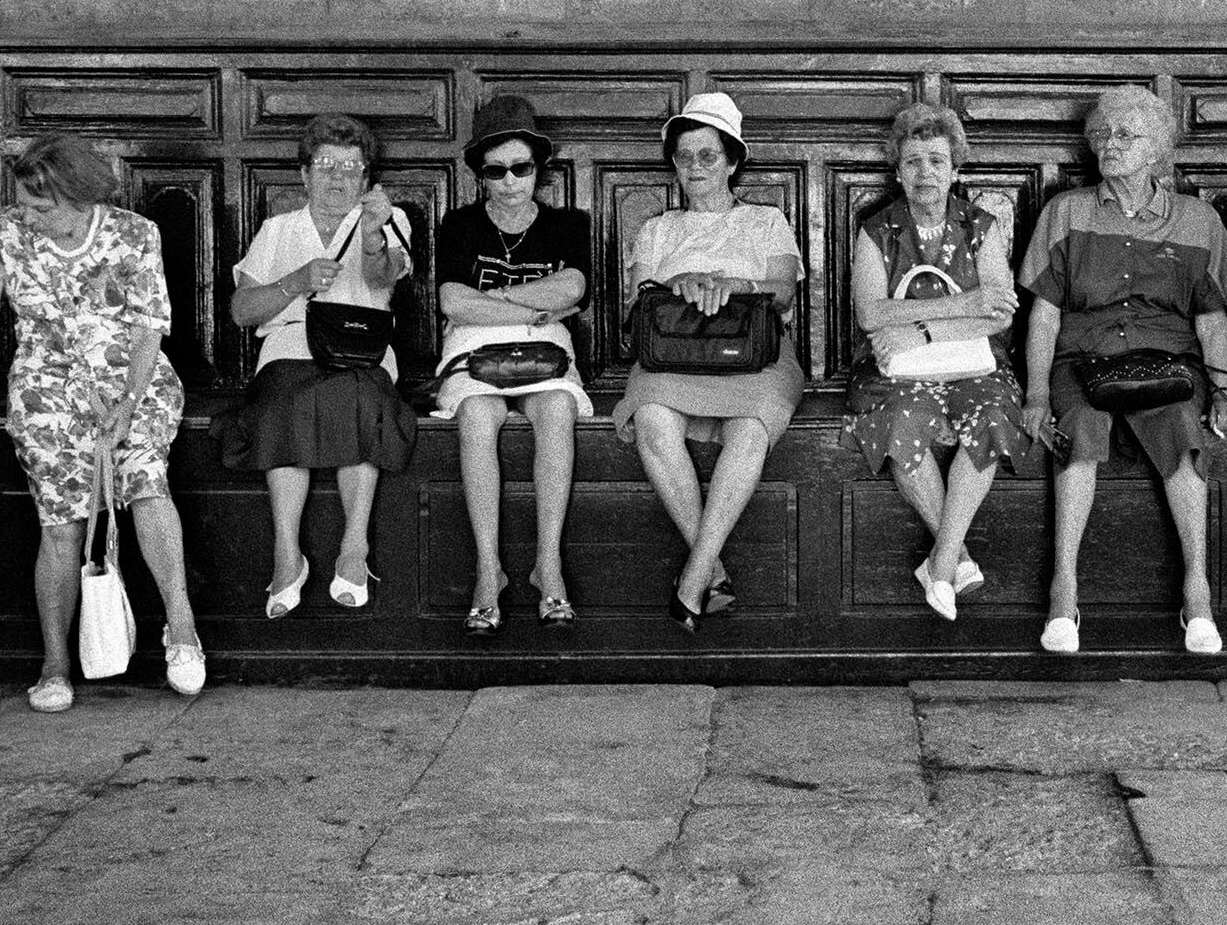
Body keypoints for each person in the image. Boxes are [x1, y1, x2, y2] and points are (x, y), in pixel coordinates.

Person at [0, 134, 202, 712]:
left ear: (79, 197)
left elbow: (151, 326)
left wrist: (126, 402)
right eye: (24, 202)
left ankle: (183, 632)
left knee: (147, 483)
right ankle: (54, 664)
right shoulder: (10, 235)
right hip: (47, 392)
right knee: (61, 524)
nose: (28, 215)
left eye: (41, 207)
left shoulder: (133, 234)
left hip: (132, 383)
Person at [1019, 84, 1227, 657]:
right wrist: (1037, 396)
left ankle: (1198, 590)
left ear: (1158, 150)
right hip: (1082, 360)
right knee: (1081, 430)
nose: (1109, 146)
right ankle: (1063, 589)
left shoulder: (1198, 220)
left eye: (1125, 135)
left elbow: (1213, 320)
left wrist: (1223, 391)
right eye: (1103, 135)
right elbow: (1043, 317)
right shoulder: (1065, 213)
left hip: (1167, 364)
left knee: (1180, 427)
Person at [615, 92, 802, 630]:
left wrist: (733, 283)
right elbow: (636, 305)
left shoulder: (767, 220)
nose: (695, 167)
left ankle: (693, 577)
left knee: (750, 427)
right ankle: (708, 570)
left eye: (708, 155)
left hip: (755, 355)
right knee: (650, 416)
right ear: (673, 163)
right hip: (674, 353)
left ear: (733, 160)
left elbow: (784, 294)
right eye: (684, 156)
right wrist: (674, 283)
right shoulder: (659, 229)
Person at [221, 115, 418, 619]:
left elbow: (384, 277)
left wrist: (374, 235)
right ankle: (288, 553)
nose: (338, 177)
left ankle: (354, 546)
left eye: (351, 167)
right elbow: (242, 312)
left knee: (363, 399)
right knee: (284, 399)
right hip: (289, 350)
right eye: (326, 165)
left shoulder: (388, 221)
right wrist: (296, 280)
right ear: (305, 175)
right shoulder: (278, 230)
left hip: (361, 352)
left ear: (366, 178)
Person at [845, 103, 1026, 619]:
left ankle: (942, 563)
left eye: (937, 161)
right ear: (898, 170)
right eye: (914, 162)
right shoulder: (877, 229)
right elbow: (871, 313)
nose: (925, 173)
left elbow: (999, 314)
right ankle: (957, 558)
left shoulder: (981, 226)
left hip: (974, 361)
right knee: (902, 419)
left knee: (992, 415)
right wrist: (962, 305)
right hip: (892, 365)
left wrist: (921, 328)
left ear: (955, 168)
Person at [433, 94, 594, 632]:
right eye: (496, 170)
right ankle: (488, 569)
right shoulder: (458, 225)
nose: (509, 181)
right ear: (481, 174)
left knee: (554, 411)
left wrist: (497, 296)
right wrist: (531, 302)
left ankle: (548, 565)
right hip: (475, 350)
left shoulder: (567, 223)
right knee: (478, 415)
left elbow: (575, 286)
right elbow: (452, 303)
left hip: (546, 352)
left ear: (537, 169)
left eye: (520, 168)